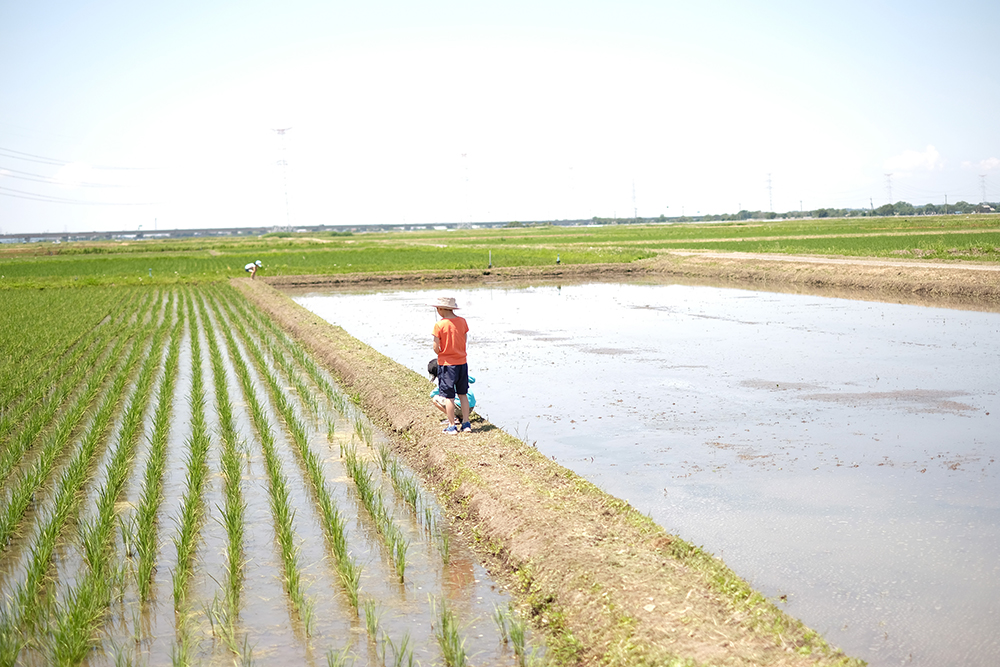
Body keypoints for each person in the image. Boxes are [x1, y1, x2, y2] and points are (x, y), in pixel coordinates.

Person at [430, 296, 472, 434]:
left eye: (437, 309)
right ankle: (466, 424)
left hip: (447, 364)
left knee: (449, 396)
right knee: (463, 394)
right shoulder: (462, 321)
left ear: (441, 309)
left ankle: (452, 426)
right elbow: (464, 339)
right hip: (462, 362)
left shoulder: (439, 325)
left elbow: (436, 347)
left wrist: (441, 351)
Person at [428, 359, 476, 426]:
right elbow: (473, 380)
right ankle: (463, 418)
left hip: (459, 407)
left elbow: (432, 394)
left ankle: (454, 418)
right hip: (470, 406)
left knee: (435, 399)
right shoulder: (458, 373)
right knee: (462, 396)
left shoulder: (445, 379)